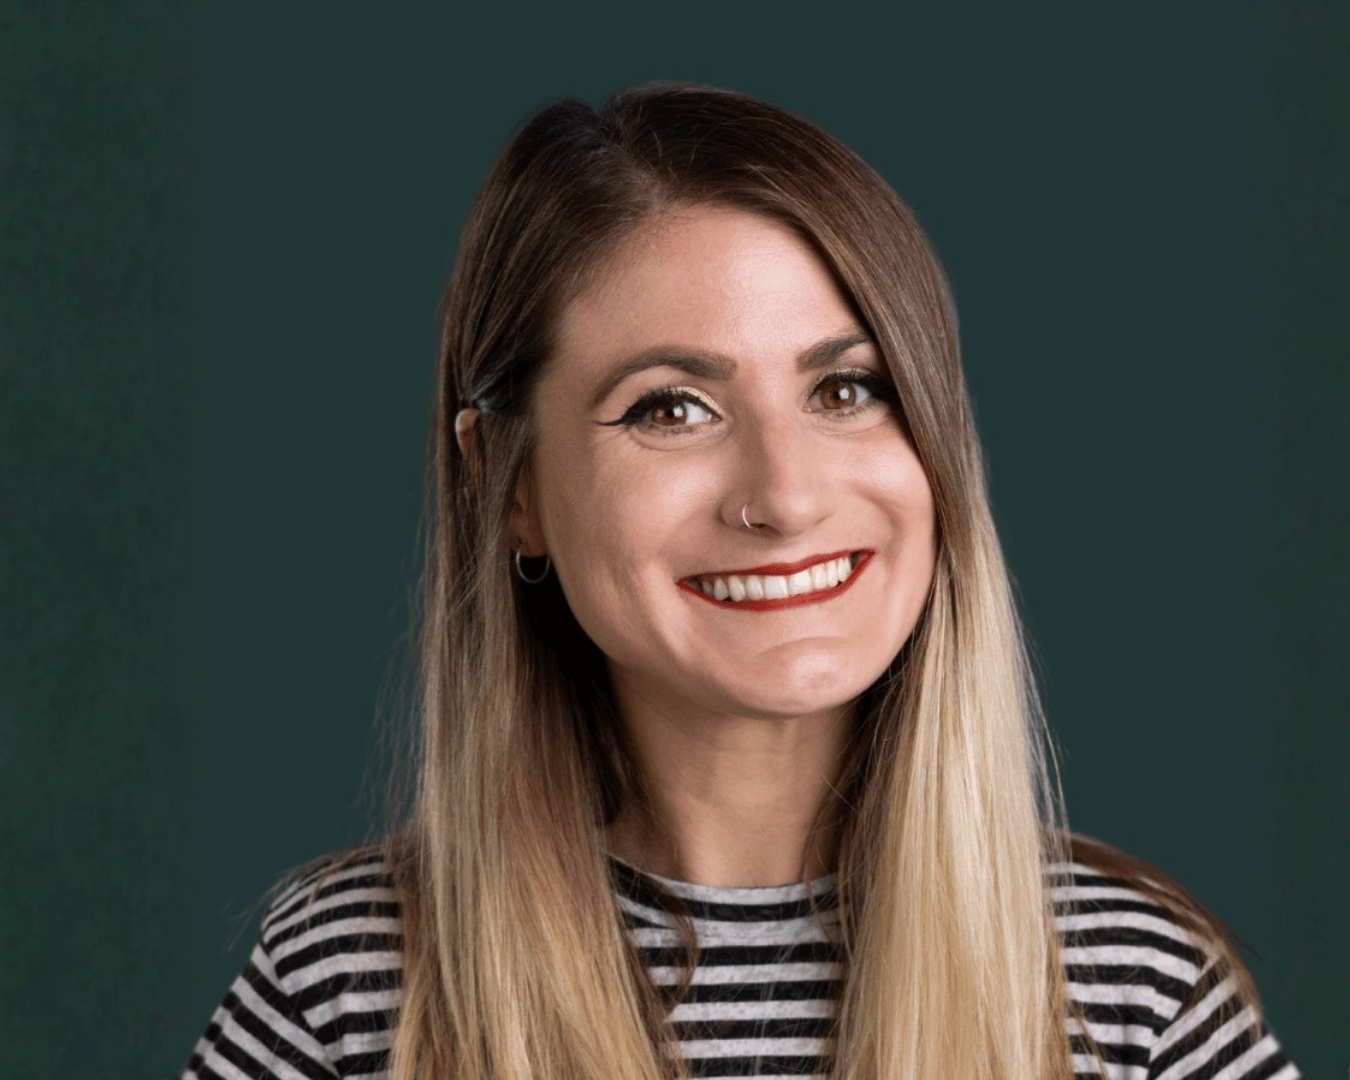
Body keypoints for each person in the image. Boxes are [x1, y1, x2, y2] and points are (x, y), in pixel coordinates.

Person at [181, 84, 1297, 1080]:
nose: (786, 496)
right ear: (506, 486)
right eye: (673, 407)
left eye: (849, 388)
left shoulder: (1125, 992)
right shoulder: (358, 987)